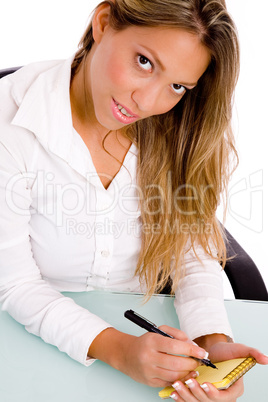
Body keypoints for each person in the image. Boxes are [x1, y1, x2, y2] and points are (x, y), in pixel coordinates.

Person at [0, 0, 267, 400]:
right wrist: (121, 351)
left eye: (177, 86)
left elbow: (190, 251)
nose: (147, 102)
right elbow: (16, 284)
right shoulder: (11, 122)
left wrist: (210, 341)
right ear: (103, 23)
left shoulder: (176, 128)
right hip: (31, 339)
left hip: (151, 338)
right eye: (144, 61)